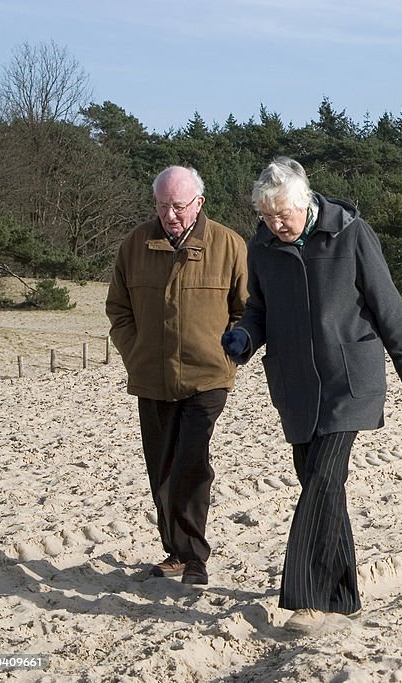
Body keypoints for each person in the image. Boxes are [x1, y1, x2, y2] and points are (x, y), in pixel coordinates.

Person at [221, 156, 402, 634]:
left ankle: (307, 599)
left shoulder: (351, 233)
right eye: (267, 217)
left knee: (320, 481)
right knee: (323, 488)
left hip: (348, 383)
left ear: (305, 203)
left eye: (283, 216)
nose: (276, 225)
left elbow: (389, 307)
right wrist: (244, 337)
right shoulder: (262, 247)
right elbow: (259, 308)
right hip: (295, 387)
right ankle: (343, 596)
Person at [106, 166, 248, 586]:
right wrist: (135, 354)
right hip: (151, 377)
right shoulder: (134, 245)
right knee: (162, 468)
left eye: (179, 206)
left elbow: (246, 310)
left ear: (198, 203)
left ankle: (194, 557)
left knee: (191, 461)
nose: (171, 215)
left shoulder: (228, 245)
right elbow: (118, 309)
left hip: (208, 378)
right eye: (164, 205)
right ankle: (175, 552)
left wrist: (228, 356)